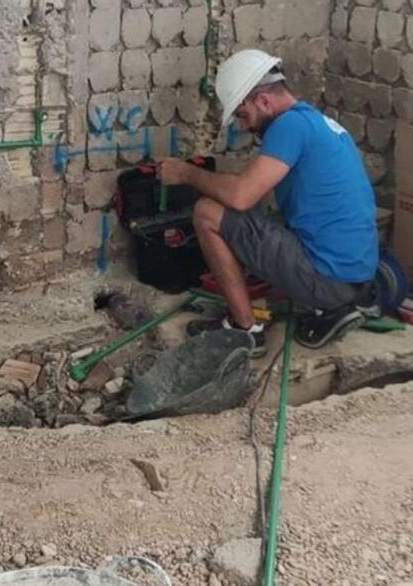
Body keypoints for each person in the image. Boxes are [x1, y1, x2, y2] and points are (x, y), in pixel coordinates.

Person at [156, 49, 379, 357]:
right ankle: (330, 307)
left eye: (242, 115)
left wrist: (184, 172)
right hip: (356, 277)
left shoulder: (289, 127)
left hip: (328, 279)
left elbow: (240, 195)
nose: (244, 126)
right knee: (254, 215)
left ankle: (244, 328)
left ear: (263, 100)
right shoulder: (317, 123)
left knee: (207, 213)